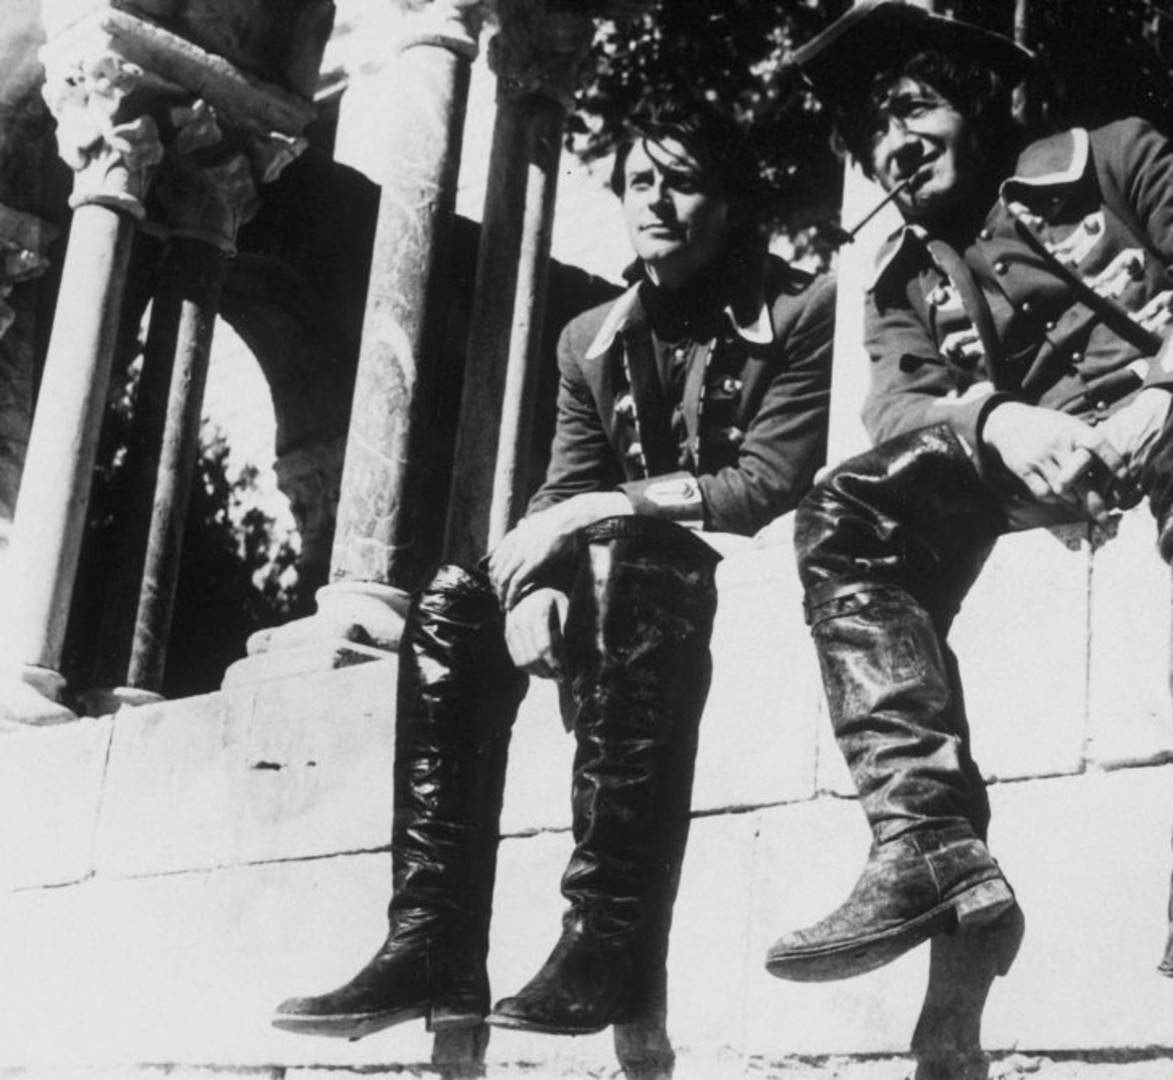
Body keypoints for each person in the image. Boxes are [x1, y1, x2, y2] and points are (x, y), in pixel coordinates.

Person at [764, 0, 1173, 1006]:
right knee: (843, 509)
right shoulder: (896, 280)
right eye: (874, 130)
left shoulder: (1113, 156)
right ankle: (923, 843)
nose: (896, 144)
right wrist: (997, 422)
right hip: (1056, 478)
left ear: (977, 104)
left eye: (916, 109)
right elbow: (895, 407)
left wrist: (1162, 393)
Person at [272, 92, 834, 1057]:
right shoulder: (591, 340)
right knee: (454, 600)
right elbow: (561, 491)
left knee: (626, 555)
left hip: (732, 568)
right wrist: (532, 588)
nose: (656, 201)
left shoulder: (803, 309)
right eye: (640, 181)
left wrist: (591, 515)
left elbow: (763, 483)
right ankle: (431, 944)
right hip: (619, 568)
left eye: (684, 183)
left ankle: (606, 935)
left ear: (733, 202)